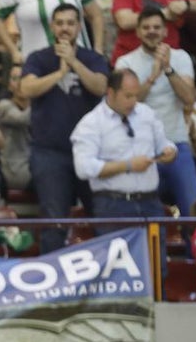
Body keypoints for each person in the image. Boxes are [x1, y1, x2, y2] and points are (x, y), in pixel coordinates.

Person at [20, 3, 109, 254]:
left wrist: (73, 63)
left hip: (92, 151)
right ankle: (51, 285)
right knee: (54, 221)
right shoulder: (38, 58)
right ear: (52, 27)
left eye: (70, 23)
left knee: (101, 218)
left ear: (79, 26)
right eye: (60, 23)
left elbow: (101, 87)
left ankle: (107, 284)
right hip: (49, 152)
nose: (65, 28)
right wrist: (60, 72)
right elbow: (27, 89)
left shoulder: (93, 58)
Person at [70, 68, 178, 234]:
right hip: (113, 205)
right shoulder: (91, 124)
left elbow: (163, 143)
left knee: (154, 258)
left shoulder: (146, 114)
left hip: (150, 202)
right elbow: (84, 168)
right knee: (119, 259)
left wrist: (169, 151)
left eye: (136, 95)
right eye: (128, 96)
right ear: (111, 93)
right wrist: (127, 165)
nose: (133, 101)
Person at [115, 7, 196, 216]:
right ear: (138, 32)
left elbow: (189, 98)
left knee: (193, 212)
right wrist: (152, 77)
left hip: (177, 144)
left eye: (156, 27)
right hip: (141, 149)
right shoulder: (125, 62)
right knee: (145, 216)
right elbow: (124, 105)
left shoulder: (181, 57)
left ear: (165, 32)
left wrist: (168, 69)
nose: (151, 31)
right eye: (146, 27)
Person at [0, 65, 31, 190]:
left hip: (38, 166)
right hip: (15, 170)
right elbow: (22, 119)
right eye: (15, 79)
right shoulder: (3, 106)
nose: (20, 83)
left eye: (24, 78)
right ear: (9, 85)